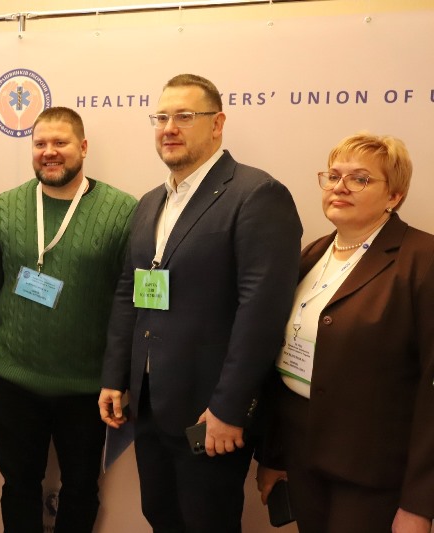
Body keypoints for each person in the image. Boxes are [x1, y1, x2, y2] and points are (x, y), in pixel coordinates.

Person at [99, 73, 303, 533]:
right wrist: (115, 377)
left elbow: (262, 313)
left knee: (206, 523)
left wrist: (230, 408)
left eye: (185, 116)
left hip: (209, 414)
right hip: (150, 407)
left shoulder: (256, 195)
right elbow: (130, 292)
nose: (169, 128)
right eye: (161, 117)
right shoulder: (150, 202)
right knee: (161, 516)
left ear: (217, 124)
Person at [0, 106, 138, 533]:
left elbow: (129, 302)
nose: (49, 152)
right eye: (40, 143)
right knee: (18, 486)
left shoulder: (122, 210)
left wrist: (120, 376)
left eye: (60, 142)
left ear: (83, 147)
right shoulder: (5, 207)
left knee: (81, 488)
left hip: (88, 387)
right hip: (14, 380)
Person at [256, 133, 434, 532]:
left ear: (394, 196)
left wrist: (421, 502)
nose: (339, 187)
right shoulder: (312, 253)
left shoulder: (423, 260)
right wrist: (275, 455)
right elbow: (282, 366)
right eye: (333, 176)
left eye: (359, 179)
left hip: (374, 474)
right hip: (304, 460)